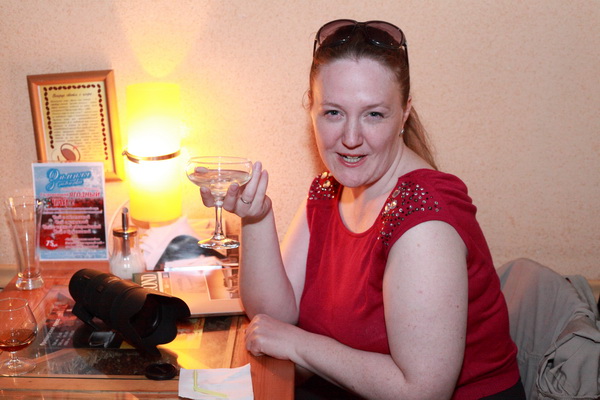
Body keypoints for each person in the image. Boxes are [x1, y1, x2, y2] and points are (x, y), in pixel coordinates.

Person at [200, 19, 525, 400]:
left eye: (374, 114)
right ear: (311, 109)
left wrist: (299, 345)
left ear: (404, 113)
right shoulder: (330, 188)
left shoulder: (425, 224)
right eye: (333, 113)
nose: (351, 139)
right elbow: (273, 317)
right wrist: (256, 218)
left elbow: (422, 390)